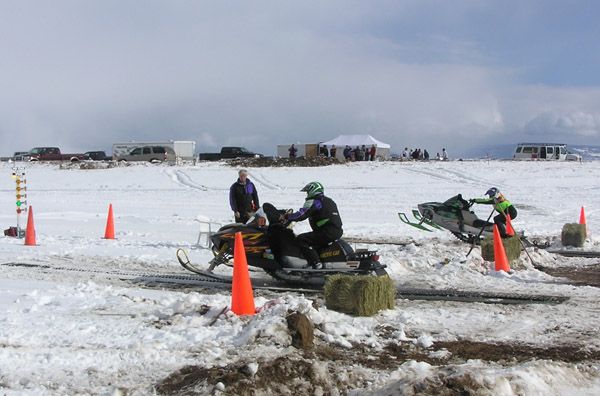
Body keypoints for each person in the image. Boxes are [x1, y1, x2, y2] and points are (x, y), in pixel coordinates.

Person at [286, 182, 343, 268]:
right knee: (314, 242)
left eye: (308, 192)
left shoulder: (315, 201)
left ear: (313, 190)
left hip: (326, 231)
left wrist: (287, 217)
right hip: (336, 230)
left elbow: (302, 214)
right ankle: (320, 261)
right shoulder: (329, 200)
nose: (307, 194)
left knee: (301, 239)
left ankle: (315, 263)